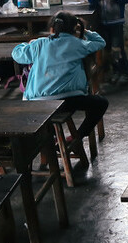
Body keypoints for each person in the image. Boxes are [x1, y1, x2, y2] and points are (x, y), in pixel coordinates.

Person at [12, 11, 109, 166]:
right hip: (68, 103)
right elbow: (100, 42)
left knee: (47, 117)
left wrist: (27, 44)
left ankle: (47, 141)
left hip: (38, 105)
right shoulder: (77, 44)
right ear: (74, 29)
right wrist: (85, 31)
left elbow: (17, 54)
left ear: (52, 28)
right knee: (101, 103)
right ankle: (77, 136)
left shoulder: (40, 44)